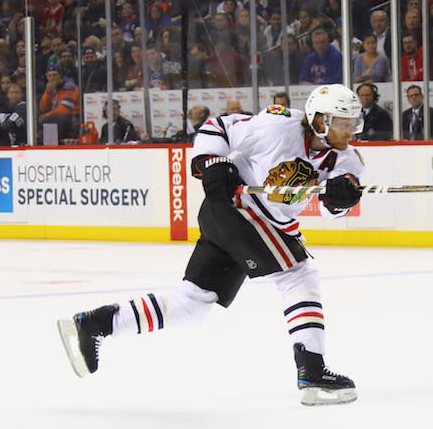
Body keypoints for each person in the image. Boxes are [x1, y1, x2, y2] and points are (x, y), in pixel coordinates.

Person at [57, 84, 364, 406]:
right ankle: (312, 371)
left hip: (241, 221)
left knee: (192, 304)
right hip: (237, 210)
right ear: (319, 120)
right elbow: (216, 127)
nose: (350, 130)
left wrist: (341, 197)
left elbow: (334, 208)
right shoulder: (277, 125)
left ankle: (97, 323)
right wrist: (213, 162)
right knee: (298, 275)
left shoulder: (349, 160)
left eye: (354, 123)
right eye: (344, 122)